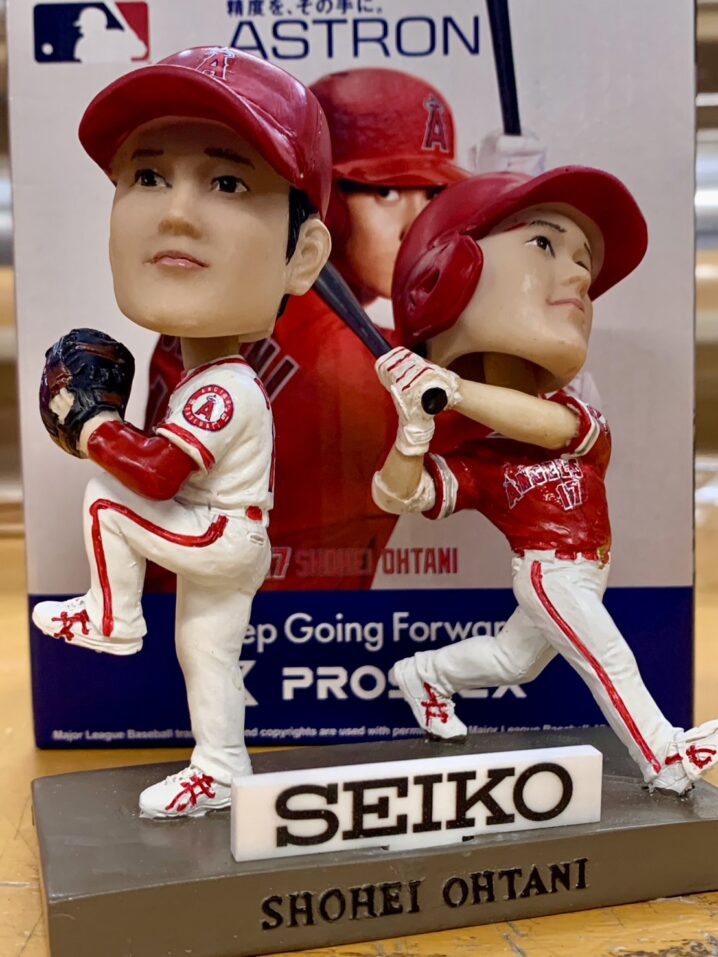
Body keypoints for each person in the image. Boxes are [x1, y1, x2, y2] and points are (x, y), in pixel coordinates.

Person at [31, 46, 332, 816]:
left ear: (304, 255)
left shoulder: (226, 385)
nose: (174, 212)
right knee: (205, 653)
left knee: (106, 499)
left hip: (223, 534)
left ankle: (111, 614)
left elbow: (159, 474)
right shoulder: (199, 372)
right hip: (226, 534)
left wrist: (92, 427)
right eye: (148, 175)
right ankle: (220, 766)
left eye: (228, 182)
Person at [372, 168, 718, 796]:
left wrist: (453, 389)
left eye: (584, 260)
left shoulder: (573, 414)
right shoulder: (481, 460)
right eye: (544, 244)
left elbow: (553, 428)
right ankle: (664, 756)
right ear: (448, 276)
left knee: (513, 661)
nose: (581, 277)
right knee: (609, 657)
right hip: (547, 571)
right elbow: (399, 493)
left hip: (591, 566)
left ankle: (423, 675)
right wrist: (413, 431)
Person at [144, 68, 470, 590]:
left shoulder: (221, 291)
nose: (418, 223)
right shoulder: (350, 357)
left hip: (190, 598)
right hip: (289, 621)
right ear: (321, 204)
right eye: (386, 193)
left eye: (434, 194)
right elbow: (501, 430)